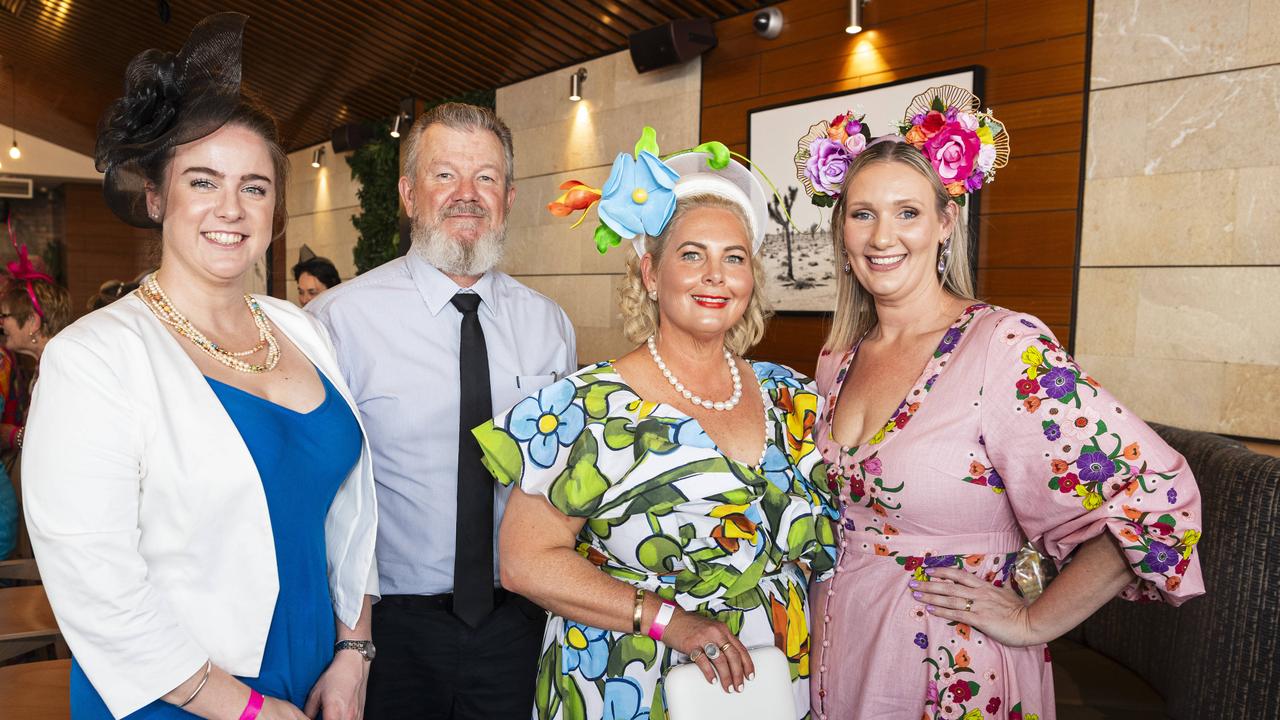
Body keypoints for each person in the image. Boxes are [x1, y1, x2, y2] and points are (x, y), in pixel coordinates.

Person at [801, 88, 1204, 719]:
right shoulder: (837, 359)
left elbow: (1153, 496)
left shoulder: (1002, 349)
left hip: (950, 664)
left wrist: (1034, 621)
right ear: (841, 231)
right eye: (862, 214)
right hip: (840, 650)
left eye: (907, 212)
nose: (883, 236)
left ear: (946, 223)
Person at [23, 14, 378, 720]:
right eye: (202, 180)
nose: (230, 208)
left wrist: (354, 651)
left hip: (314, 677)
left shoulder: (303, 330)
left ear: (276, 207)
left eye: (253, 187)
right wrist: (244, 710)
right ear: (156, 197)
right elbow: (98, 586)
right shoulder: (93, 359)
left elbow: (350, 512)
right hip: (172, 693)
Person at [473, 131, 837, 719]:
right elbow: (525, 562)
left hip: (771, 686)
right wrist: (670, 621)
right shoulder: (590, 406)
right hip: (629, 684)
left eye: (734, 258)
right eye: (692, 255)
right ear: (649, 272)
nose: (714, 276)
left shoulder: (790, 396)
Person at [307, 101, 576, 719]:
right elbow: (322, 493)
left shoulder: (548, 327)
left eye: (486, 178)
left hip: (520, 623)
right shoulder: (338, 323)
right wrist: (353, 641)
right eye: (444, 175)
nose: (467, 195)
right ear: (407, 194)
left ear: (508, 197)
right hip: (387, 629)